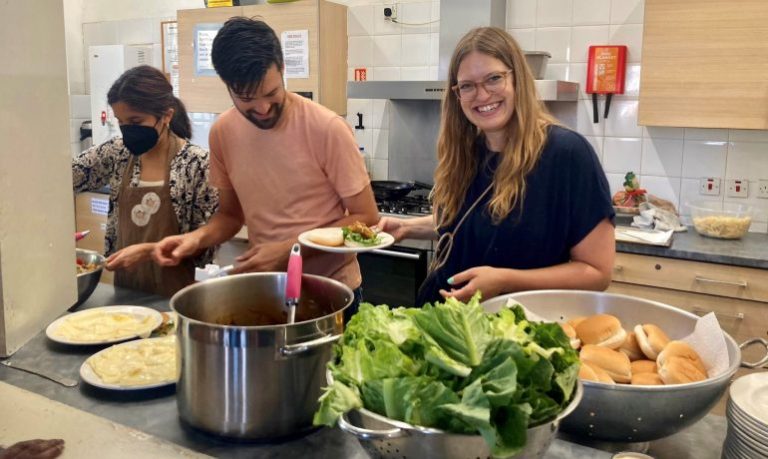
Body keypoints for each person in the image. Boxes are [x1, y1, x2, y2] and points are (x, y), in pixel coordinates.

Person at [153, 18, 378, 317]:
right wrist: (194, 239)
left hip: (331, 292)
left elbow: (366, 217)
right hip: (267, 289)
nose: (261, 108)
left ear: (282, 69)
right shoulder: (223, 132)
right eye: (246, 98)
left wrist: (290, 248)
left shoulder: (327, 128)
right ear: (227, 85)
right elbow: (231, 216)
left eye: (271, 94)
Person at [378, 27, 615, 306]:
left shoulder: (566, 154)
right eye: (467, 85)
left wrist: (505, 280)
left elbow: (597, 273)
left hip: (516, 332)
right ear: (457, 94)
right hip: (445, 321)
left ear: (517, 79)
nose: (482, 95)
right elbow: (476, 221)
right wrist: (409, 228)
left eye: (493, 78)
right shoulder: (465, 151)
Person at [72, 65, 218, 297]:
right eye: (121, 122)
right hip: (123, 291)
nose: (127, 130)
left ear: (166, 116)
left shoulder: (196, 164)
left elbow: (205, 244)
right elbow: (67, 178)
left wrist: (151, 251)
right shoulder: (117, 153)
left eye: (136, 121)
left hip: (176, 295)